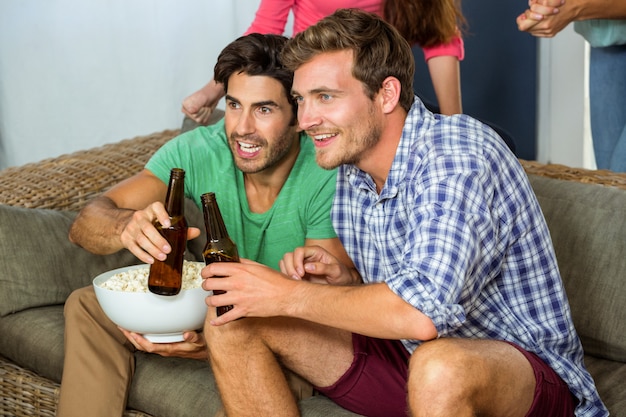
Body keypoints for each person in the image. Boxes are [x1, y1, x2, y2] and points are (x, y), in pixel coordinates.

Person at [200, 8, 607, 417]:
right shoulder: (351, 164)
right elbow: (403, 294)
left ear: (387, 94)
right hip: (412, 358)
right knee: (233, 317)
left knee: (440, 367)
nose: (305, 121)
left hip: (522, 376)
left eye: (326, 97)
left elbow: (420, 313)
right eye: (301, 100)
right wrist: (347, 279)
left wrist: (286, 295)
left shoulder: (458, 156)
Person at [56, 33, 354, 417]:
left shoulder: (326, 170)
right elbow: (86, 222)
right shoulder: (200, 149)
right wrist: (124, 225)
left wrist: (216, 341)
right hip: (214, 306)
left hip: (283, 330)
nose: (241, 128)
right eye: (233, 105)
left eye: (263, 109)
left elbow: (326, 311)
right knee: (85, 304)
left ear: (298, 117)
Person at [182, 0, 465, 126]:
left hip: (371, 85)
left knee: (500, 140)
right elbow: (265, 28)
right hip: (313, 83)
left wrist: (454, 125)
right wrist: (213, 90)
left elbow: (439, 38)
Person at [517, 0, 626, 172]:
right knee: (611, 183)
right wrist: (549, 7)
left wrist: (576, 7)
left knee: (620, 173)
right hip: (607, 38)